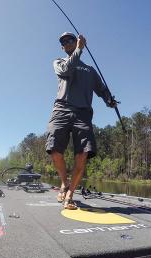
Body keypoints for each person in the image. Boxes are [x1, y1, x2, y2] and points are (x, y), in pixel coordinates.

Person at [45, 32, 116, 210]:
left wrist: (109, 100)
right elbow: (67, 70)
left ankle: (70, 195)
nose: (67, 42)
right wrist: (79, 49)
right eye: (63, 41)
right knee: (54, 149)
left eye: (70, 39)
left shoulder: (90, 71)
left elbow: (101, 89)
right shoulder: (59, 62)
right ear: (62, 47)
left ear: (75, 41)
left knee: (83, 153)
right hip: (61, 109)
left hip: (83, 113)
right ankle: (64, 182)